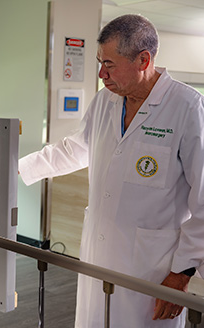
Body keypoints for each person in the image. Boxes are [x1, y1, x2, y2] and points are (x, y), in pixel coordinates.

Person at [19, 14, 204, 328]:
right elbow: (76, 149)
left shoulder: (187, 109)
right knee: (94, 319)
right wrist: (15, 169)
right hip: (99, 254)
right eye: (98, 62)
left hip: (151, 267)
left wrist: (180, 274)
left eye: (110, 64)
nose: (101, 73)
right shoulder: (105, 101)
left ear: (143, 59)